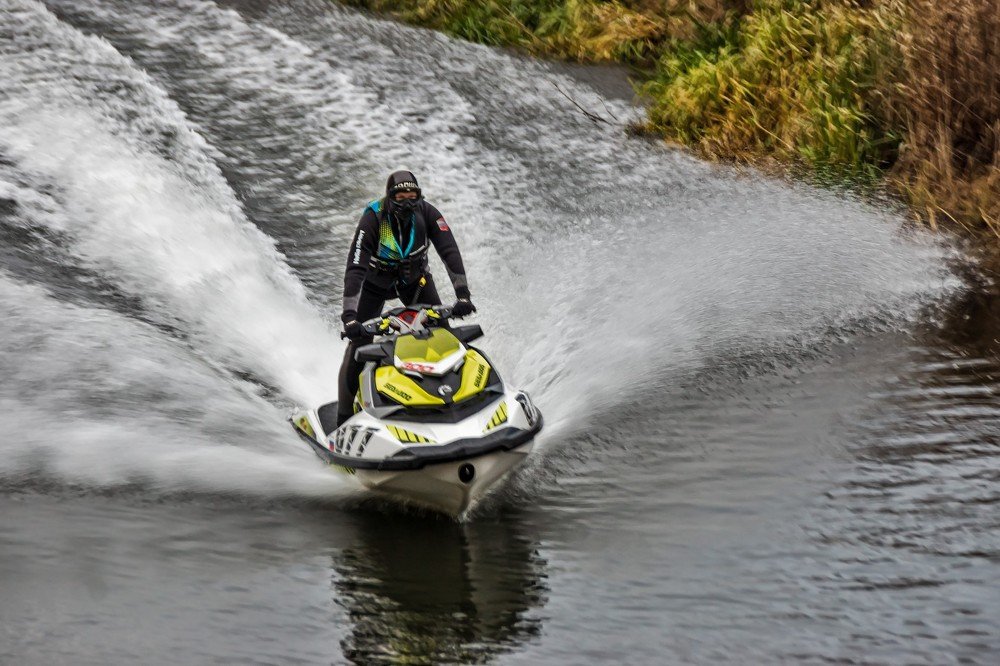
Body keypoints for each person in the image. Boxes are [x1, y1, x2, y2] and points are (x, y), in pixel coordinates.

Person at [337, 170, 476, 426]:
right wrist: (349, 318)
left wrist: (463, 296)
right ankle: (343, 418)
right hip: (374, 285)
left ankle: (459, 401)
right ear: (390, 197)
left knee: (443, 336)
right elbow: (355, 268)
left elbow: (449, 251)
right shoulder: (373, 218)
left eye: (413, 197)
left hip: (416, 282)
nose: (407, 203)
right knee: (359, 346)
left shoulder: (428, 213)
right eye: (400, 197)